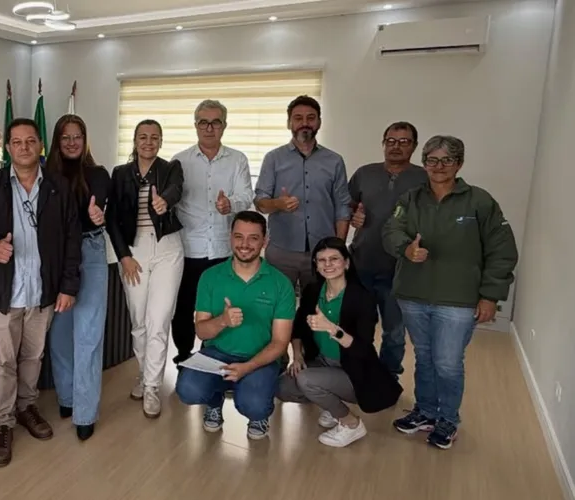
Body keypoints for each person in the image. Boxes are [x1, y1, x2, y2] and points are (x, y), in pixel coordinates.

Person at [383, 135, 518, 450]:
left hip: (458, 301)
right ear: (424, 162)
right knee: (425, 357)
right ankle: (426, 412)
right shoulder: (411, 198)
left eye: (446, 160)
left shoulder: (480, 202)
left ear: (459, 164)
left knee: (447, 362)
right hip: (414, 295)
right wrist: (406, 249)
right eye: (432, 160)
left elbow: (502, 252)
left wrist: (489, 296)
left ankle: (448, 420)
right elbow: (391, 229)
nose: (438, 166)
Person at [0, 118, 80, 467]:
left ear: (40, 146)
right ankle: (2, 423)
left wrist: (68, 286)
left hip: (41, 292)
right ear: (8, 148)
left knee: (32, 358)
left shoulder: (59, 187)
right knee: (3, 362)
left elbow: (73, 240)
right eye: (17, 142)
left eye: (31, 141)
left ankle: (27, 407)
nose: (25, 147)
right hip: (4, 292)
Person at [174, 211, 295, 440]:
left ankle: (257, 411)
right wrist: (223, 321)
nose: (245, 244)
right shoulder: (210, 276)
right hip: (216, 354)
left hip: (260, 357)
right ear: (230, 238)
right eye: (238, 237)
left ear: (265, 241)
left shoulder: (281, 283)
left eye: (253, 238)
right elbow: (201, 330)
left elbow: (280, 343)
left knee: (254, 404)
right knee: (188, 389)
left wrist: (247, 368)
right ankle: (214, 401)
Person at [277, 237, 402, 448]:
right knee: (283, 387)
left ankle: (351, 424)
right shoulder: (313, 291)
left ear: (346, 263)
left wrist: (332, 329)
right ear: (315, 265)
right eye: (321, 260)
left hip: (353, 370)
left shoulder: (361, 297)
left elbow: (363, 349)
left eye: (334, 259)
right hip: (322, 362)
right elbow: (297, 328)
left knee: (307, 380)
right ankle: (330, 403)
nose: (327, 265)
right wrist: (297, 356)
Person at [107, 119, 185, 418]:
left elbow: (176, 189)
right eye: (143, 137)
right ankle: (144, 373)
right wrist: (123, 256)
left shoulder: (170, 168)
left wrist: (164, 201)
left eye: (154, 137)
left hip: (167, 249)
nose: (148, 142)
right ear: (135, 141)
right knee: (138, 319)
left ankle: (152, 386)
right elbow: (112, 218)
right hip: (134, 250)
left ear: (161, 142)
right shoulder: (120, 173)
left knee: (159, 319)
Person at [170, 99, 254, 364]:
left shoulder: (237, 159)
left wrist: (231, 204)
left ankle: (213, 359)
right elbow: (170, 199)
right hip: (187, 249)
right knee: (183, 309)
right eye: (203, 122)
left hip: (221, 250)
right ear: (195, 126)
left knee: (219, 310)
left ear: (224, 126)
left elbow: (246, 195)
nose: (209, 128)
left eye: (215, 122)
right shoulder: (179, 161)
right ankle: (184, 357)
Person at [44, 115, 111, 440]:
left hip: (90, 252)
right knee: (59, 335)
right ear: (57, 140)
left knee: (88, 335)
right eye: (65, 137)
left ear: (85, 140)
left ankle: (85, 412)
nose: (72, 142)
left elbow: (97, 212)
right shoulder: (46, 173)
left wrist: (100, 217)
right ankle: (68, 398)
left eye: (77, 137)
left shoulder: (98, 174)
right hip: (56, 257)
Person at [348, 122, 428, 377]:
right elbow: (348, 207)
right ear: (383, 143)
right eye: (391, 141)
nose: (396, 146)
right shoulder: (364, 174)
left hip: (400, 270)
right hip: (362, 264)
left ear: (414, 146)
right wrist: (353, 217)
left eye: (404, 142)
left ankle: (388, 375)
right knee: (361, 326)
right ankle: (361, 371)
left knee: (394, 331)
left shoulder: (424, 178)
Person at [254, 95, 352, 291]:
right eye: (298, 118)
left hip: (323, 252)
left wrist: (337, 248)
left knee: (318, 309)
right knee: (277, 308)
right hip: (282, 250)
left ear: (319, 122)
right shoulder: (273, 159)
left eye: (311, 117)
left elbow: (342, 207)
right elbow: (260, 202)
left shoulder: (334, 161)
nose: (304, 123)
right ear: (289, 122)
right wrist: (278, 204)